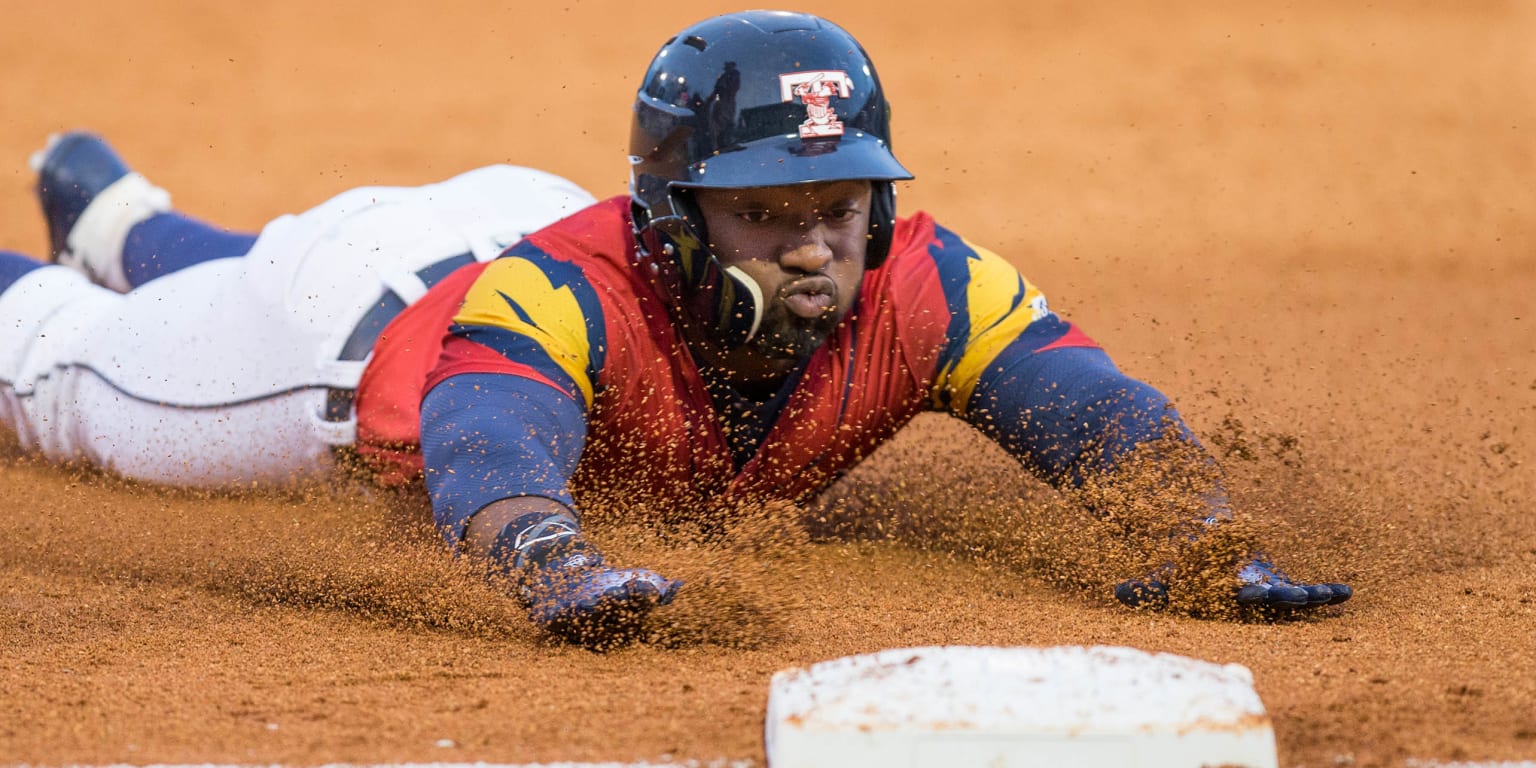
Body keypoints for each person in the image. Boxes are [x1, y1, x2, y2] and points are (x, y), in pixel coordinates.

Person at [0, 10, 1349, 647]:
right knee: (60, 368)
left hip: (486, 218)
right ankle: (87, 259)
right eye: (769, 211)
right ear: (676, 216)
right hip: (340, 342)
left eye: (843, 203)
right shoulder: (566, 294)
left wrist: (1196, 533)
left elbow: (1082, 402)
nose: (816, 241)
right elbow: (488, 427)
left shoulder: (924, 284)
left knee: (225, 265)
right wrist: (548, 555)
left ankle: (118, 211)